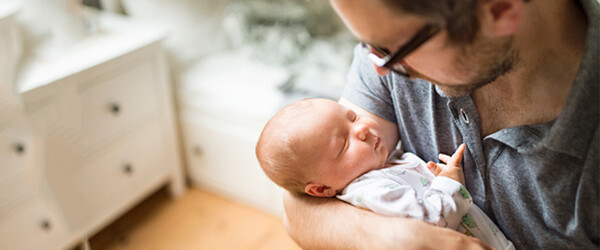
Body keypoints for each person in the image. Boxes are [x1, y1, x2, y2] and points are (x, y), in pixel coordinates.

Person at [283, 0, 599, 249]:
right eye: (372, 46)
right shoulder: (399, 52)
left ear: (500, 11)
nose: (379, 69)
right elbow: (300, 198)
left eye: (389, 51)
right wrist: (392, 240)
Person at [256, 98, 515, 250]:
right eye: (344, 144)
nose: (362, 129)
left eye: (353, 117)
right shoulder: (370, 191)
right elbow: (433, 219)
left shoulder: (381, 162)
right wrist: (448, 182)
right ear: (322, 189)